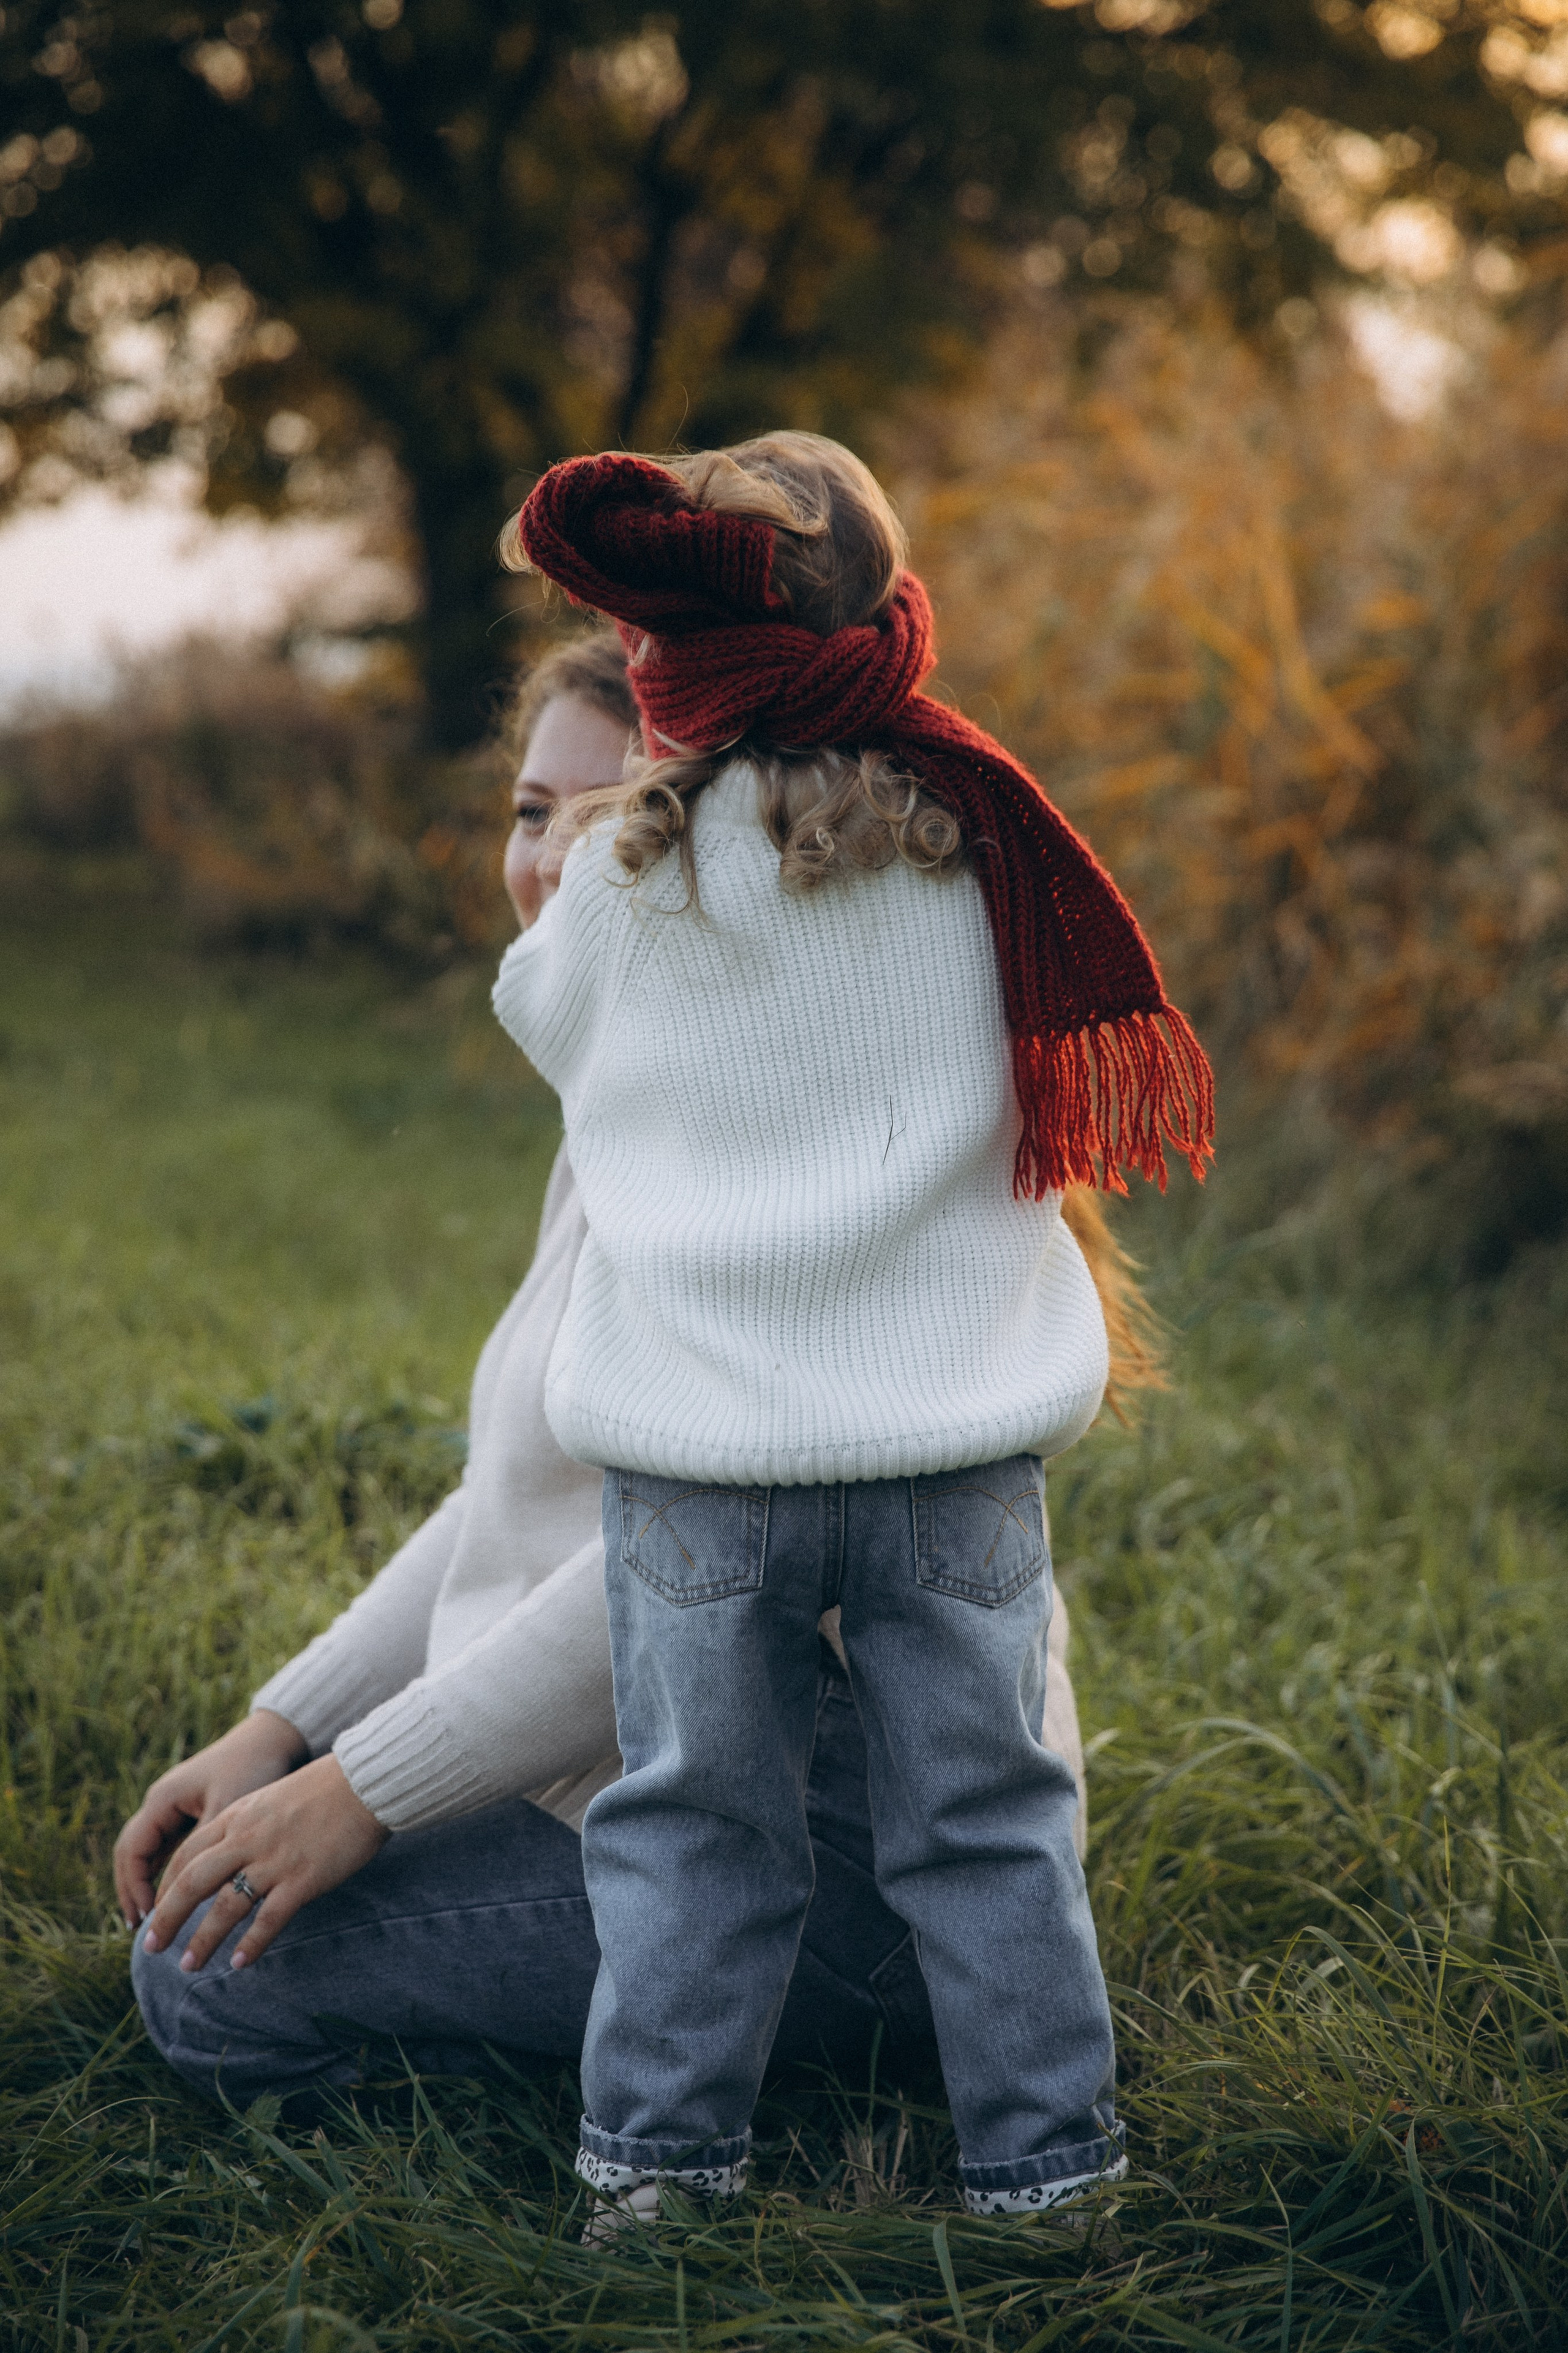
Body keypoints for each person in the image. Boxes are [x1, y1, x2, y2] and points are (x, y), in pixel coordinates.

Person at [120, 629, 1148, 2116]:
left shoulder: (770, 1175)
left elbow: (694, 1573)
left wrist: (359, 1796)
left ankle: (766, 2078)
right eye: (535, 811)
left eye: (611, 825)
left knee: (206, 1977)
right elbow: (515, 1495)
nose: (551, 867)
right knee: (210, 1898)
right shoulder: (641, 1113)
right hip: (688, 1776)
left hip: (844, 1848)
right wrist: (286, 1728)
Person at [489, 433, 1212, 2226]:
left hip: (701, 1470)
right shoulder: (982, 849)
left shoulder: (627, 884)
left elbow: (536, 1018)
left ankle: (660, 2181)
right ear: (881, 626)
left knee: (693, 1833)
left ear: (679, 665)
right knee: (989, 1819)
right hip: (951, 1447)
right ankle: (1050, 2174)